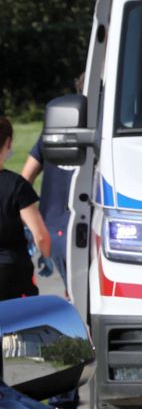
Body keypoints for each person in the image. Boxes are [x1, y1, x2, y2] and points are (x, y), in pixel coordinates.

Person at [22, 113, 77, 292]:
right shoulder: (103, 128)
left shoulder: (51, 132)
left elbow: (25, 178)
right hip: (84, 225)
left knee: (74, 291)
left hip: (53, 226)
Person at [0, 116, 51, 300]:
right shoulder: (16, 185)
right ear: (8, 143)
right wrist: (46, 256)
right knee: (16, 325)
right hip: (11, 270)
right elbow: (40, 235)